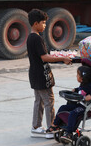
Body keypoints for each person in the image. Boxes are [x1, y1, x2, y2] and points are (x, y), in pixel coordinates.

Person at [27, 9, 72, 138]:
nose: (45, 25)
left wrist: (57, 55)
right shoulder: (37, 38)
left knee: (39, 100)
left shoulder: (31, 37)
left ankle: (36, 127)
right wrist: (62, 58)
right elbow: (44, 57)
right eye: (43, 23)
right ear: (36, 23)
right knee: (49, 101)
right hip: (42, 75)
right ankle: (51, 128)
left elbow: (44, 55)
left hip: (34, 74)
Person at [47, 65, 91, 143]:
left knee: (73, 113)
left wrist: (90, 96)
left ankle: (69, 133)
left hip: (84, 107)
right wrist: (75, 90)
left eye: (77, 75)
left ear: (82, 78)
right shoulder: (83, 85)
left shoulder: (90, 86)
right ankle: (55, 125)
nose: (76, 76)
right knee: (63, 107)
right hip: (78, 104)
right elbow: (80, 89)